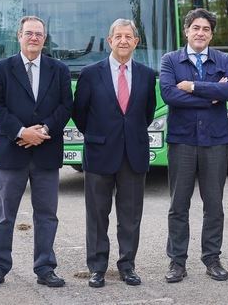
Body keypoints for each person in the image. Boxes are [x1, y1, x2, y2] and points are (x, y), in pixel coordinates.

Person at [0, 16, 73, 289]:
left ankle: (45, 268)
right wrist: (22, 132)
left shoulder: (58, 69)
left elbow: (66, 106)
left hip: (46, 152)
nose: (34, 38)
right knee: (5, 214)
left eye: (39, 34)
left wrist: (43, 130)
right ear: (19, 36)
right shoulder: (1, 69)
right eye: (29, 33)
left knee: (46, 215)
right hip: (12, 152)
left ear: (45, 39)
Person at [73, 18, 157, 288]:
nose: (123, 40)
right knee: (97, 215)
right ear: (109, 41)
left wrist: (127, 134)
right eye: (118, 36)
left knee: (130, 215)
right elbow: (80, 114)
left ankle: (127, 266)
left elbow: (146, 113)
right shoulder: (90, 74)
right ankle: (97, 267)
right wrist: (99, 136)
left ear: (136, 42)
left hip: (133, 153)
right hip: (99, 152)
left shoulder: (146, 74)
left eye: (128, 36)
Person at [159, 8, 228, 282]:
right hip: (182, 141)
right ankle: (177, 262)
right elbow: (169, 95)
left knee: (214, 204)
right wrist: (212, 93)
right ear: (186, 31)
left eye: (205, 29)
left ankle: (212, 258)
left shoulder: (224, 60)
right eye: (196, 28)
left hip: (215, 142)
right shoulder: (170, 60)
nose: (200, 33)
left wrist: (192, 87)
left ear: (211, 34)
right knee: (178, 204)